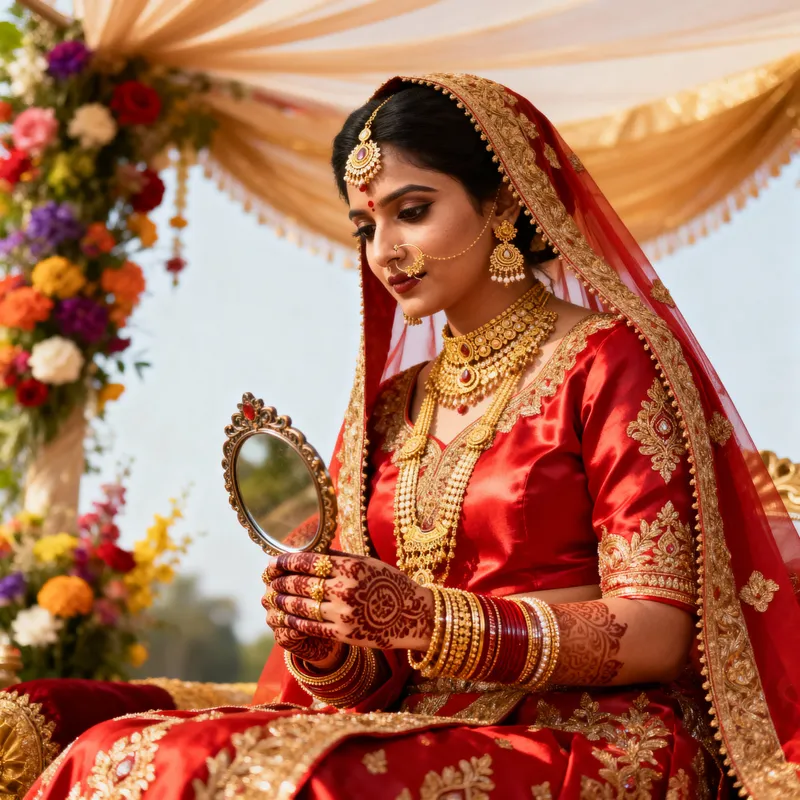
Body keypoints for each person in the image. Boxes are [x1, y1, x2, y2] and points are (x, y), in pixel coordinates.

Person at [30, 74, 800, 800]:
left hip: (588, 733)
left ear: (502, 203)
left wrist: (429, 619)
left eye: (413, 209)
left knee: (319, 783)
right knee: (121, 750)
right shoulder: (394, 403)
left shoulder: (606, 361)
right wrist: (327, 640)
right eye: (366, 224)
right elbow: (379, 672)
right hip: (421, 721)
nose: (385, 249)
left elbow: (657, 632)